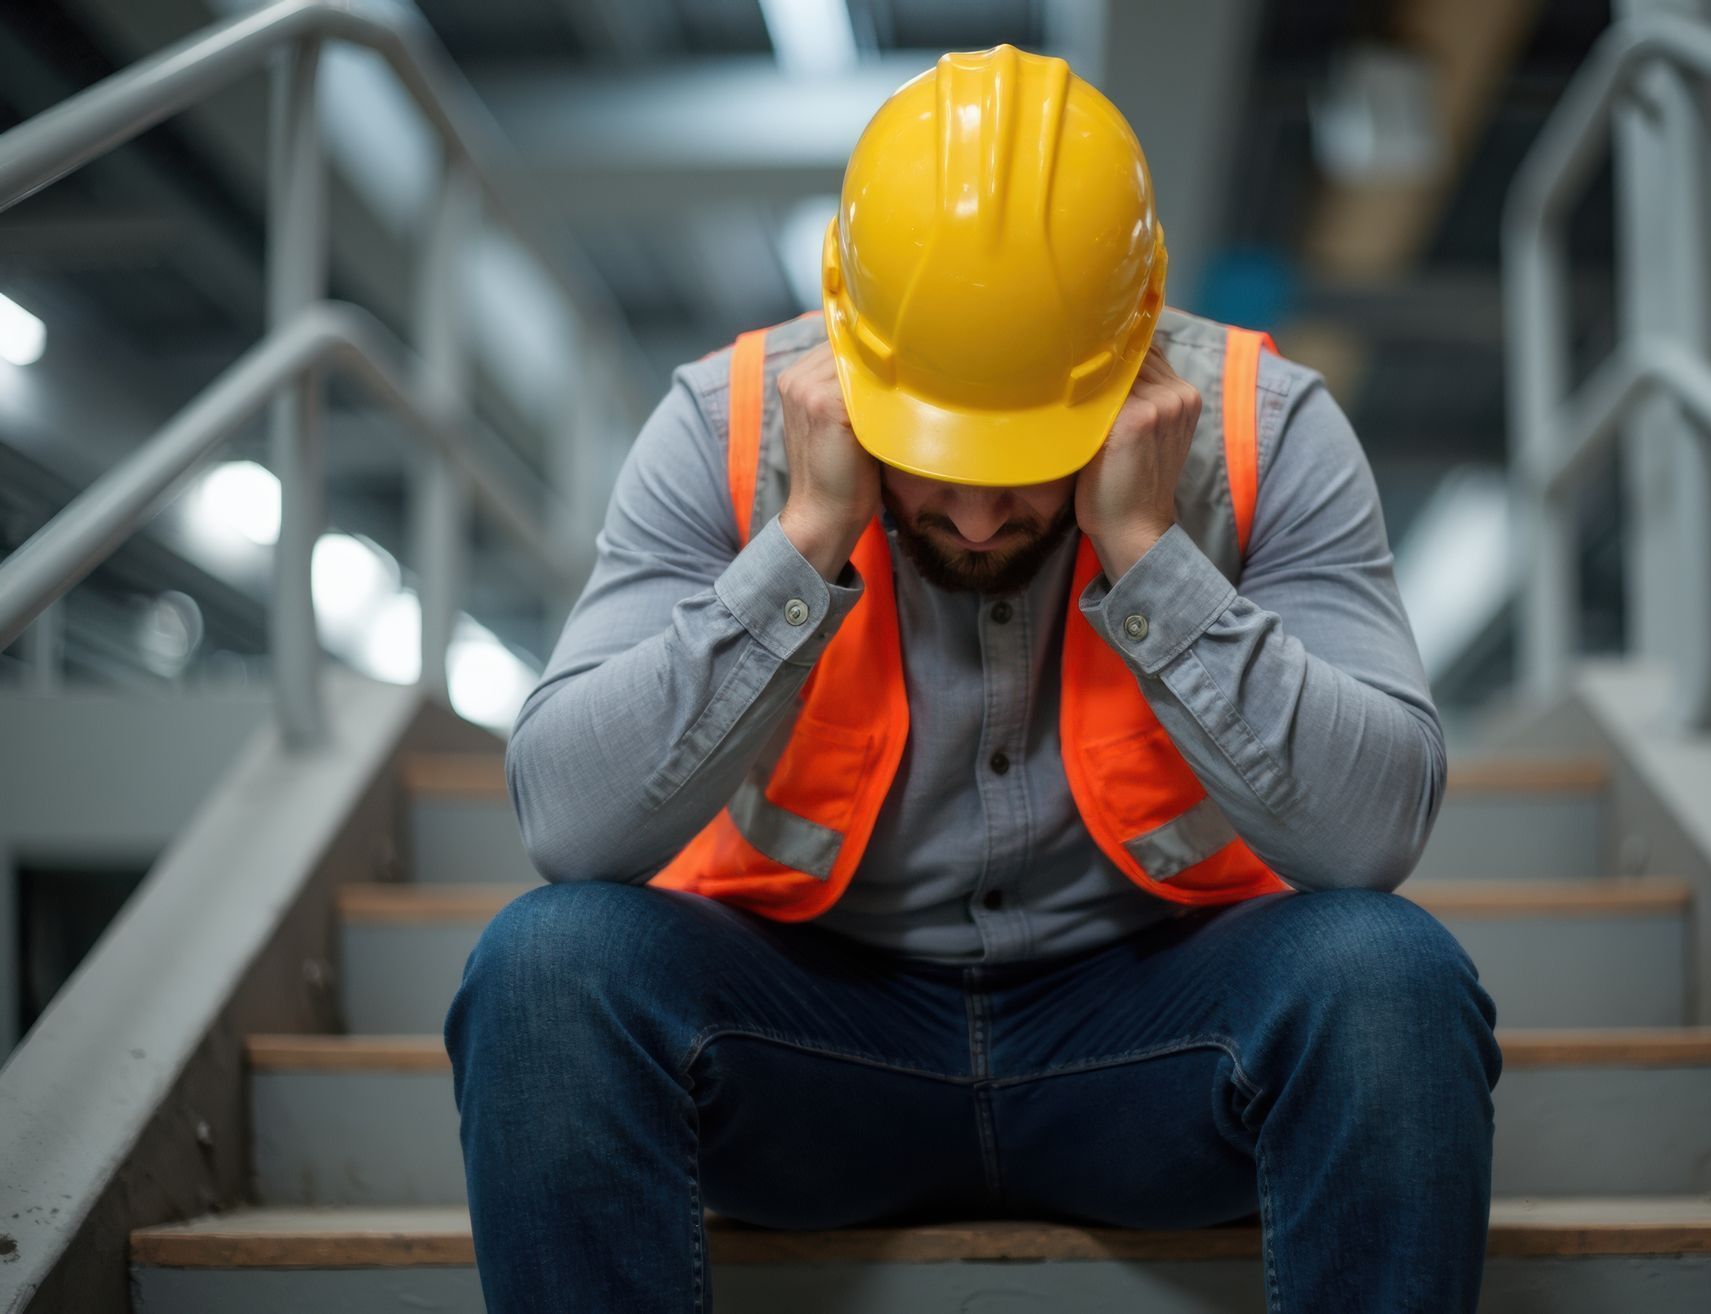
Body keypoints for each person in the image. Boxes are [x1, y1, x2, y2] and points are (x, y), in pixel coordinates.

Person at [445, 42, 1500, 1313]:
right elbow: (567, 821)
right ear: (850, 347)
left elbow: (1375, 831)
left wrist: (1149, 557)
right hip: (812, 1044)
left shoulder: (1265, 430)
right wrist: (804, 541)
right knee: (547, 966)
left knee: (1389, 977)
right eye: (934, 459)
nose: (985, 519)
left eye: (1028, 465)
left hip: (1156, 1041)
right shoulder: (721, 427)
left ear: (1129, 368)